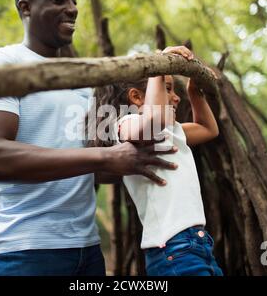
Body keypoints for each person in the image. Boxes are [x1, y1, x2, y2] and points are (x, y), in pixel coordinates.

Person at [0, 0, 177, 276]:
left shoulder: (84, 81)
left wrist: (137, 158)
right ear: (25, 8)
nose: (73, 8)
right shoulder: (1, 63)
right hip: (20, 250)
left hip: (86, 251)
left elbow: (94, 171)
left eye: (74, 0)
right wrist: (105, 157)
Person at [90, 45, 224, 276]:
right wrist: (158, 66)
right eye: (167, 88)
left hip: (198, 243)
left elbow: (208, 129)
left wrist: (195, 91)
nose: (176, 97)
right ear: (137, 97)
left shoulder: (172, 130)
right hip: (173, 248)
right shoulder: (125, 124)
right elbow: (153, 119)